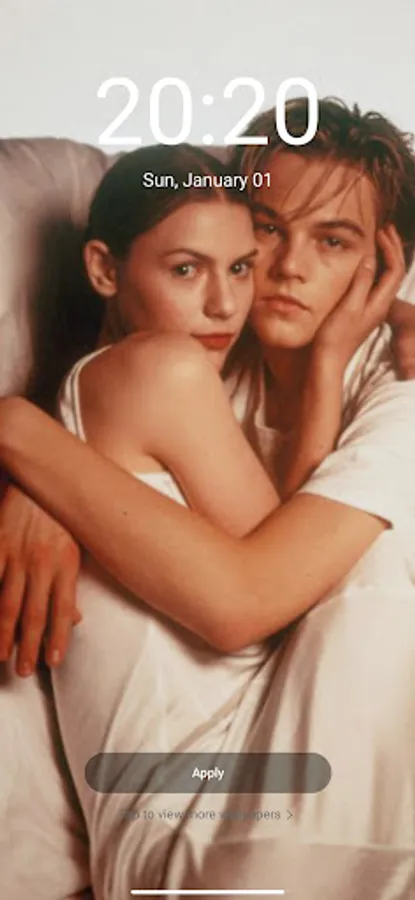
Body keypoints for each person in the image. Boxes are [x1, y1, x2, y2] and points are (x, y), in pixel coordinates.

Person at [0, 98, 415, 899]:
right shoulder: (197, 350)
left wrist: (35, 449)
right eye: (267, 230)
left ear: (379, 265)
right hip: (216, 828)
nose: (286, 269)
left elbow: (264, 600)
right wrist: (34, 457)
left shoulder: (397, 393)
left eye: (333, 241)